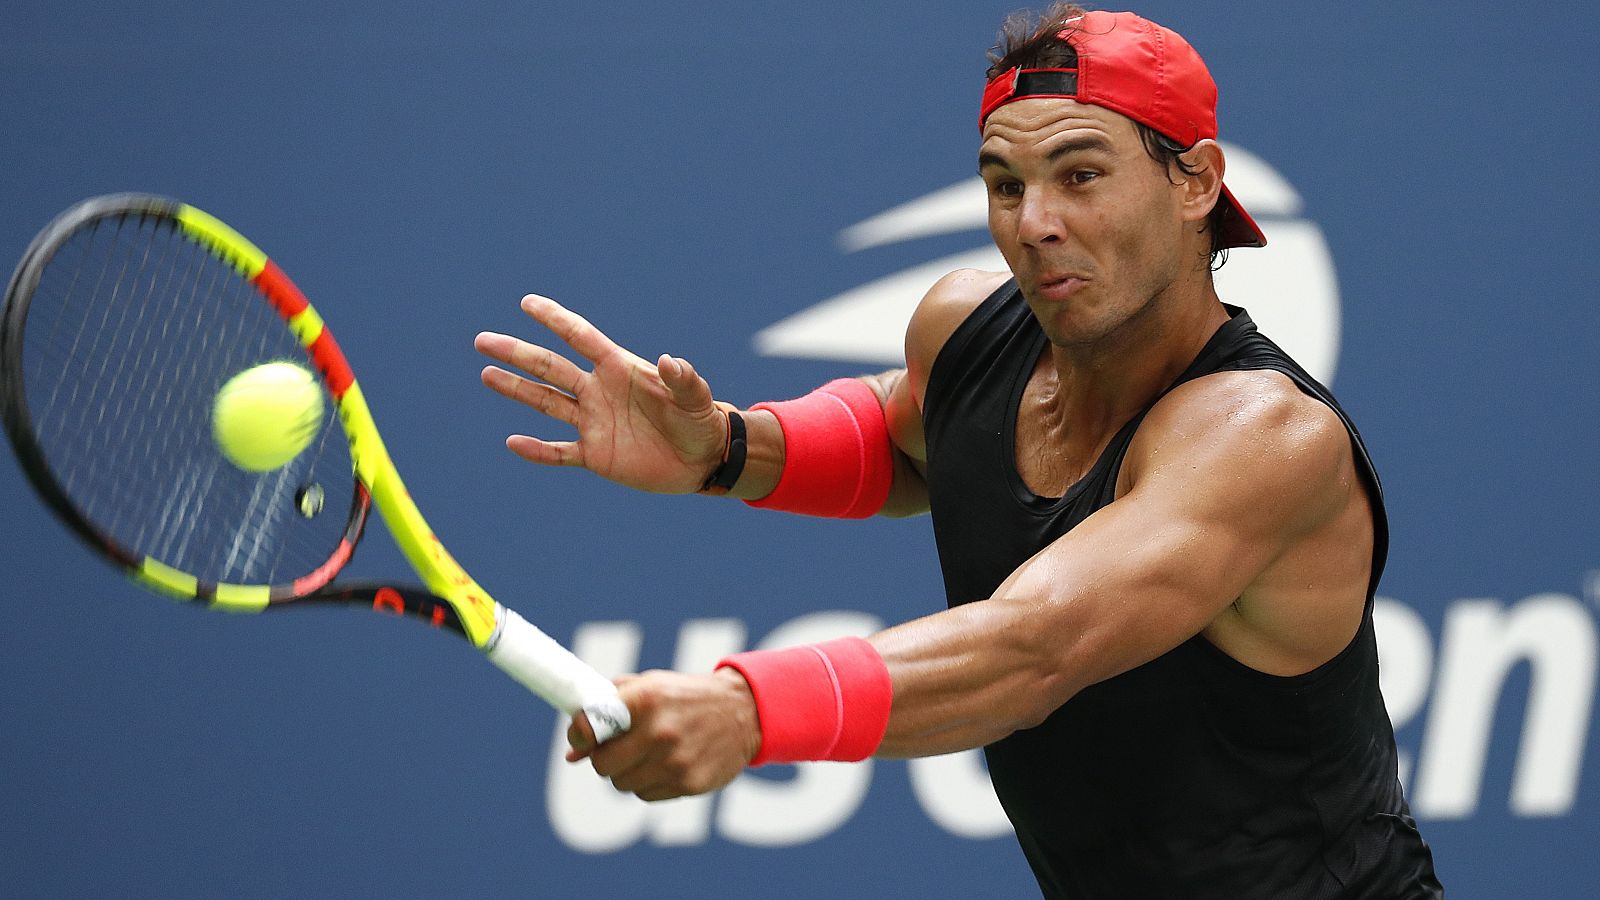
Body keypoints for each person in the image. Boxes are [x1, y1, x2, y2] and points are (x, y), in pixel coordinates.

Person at [474, 6, 1443, 897]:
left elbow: (1033, 649)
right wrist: (728, 446)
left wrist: (747, 710)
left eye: (1082, 175)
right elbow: (916, 437)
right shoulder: (966, 327)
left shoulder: (1261, 438)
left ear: (1194, 182)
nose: (1035, 224)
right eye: (1004, 184)